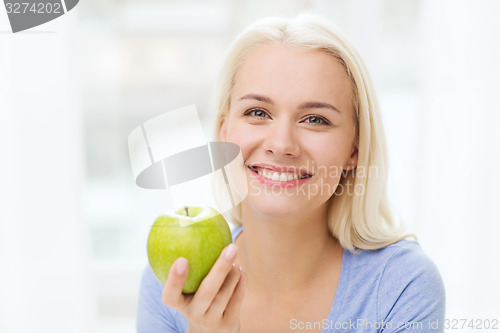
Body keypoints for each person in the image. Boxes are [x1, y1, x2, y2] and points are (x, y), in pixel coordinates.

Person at [137, 14, 445, 333]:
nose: (282, 144)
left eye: (315, 119)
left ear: (355, 149)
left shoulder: (400, 286)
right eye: (257, 113)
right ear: (223, 132)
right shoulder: (176, 279)